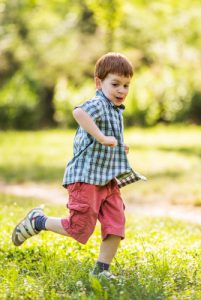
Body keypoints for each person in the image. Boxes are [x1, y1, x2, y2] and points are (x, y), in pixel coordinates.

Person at [12, 52, 146, 278]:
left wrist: (118, 146)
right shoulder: (98, 103)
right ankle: (38, 221)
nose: (121, 90)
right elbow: (79, 112)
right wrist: (103, 138)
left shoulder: (115, 111)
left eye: (126, 85)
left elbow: (107, 138)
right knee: (80, 228)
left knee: (116, 224)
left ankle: (101, 270)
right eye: (115, 84)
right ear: (98, 82)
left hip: (107, 179)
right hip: (86, 178)